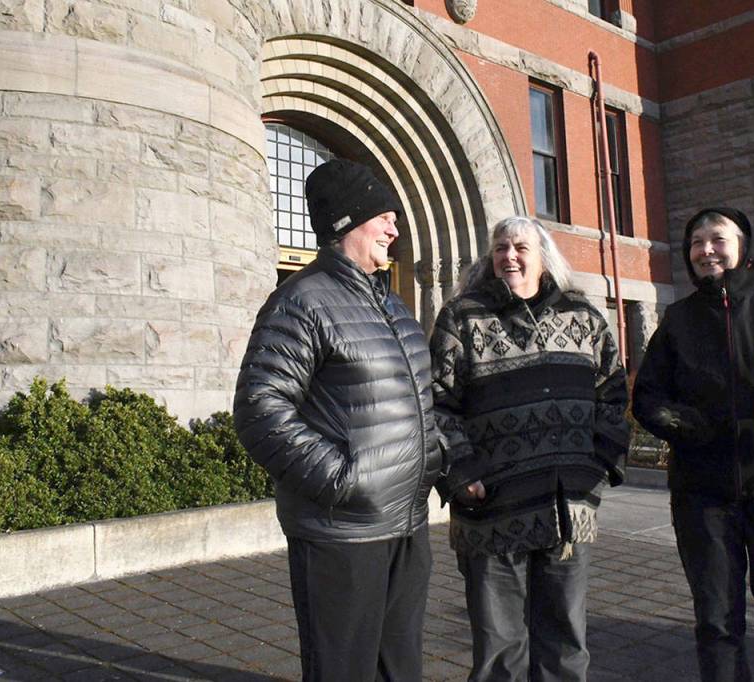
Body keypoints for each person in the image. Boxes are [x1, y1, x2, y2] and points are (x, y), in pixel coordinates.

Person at [233, 159, 442, 682]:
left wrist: (440, 461)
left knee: (400, 671)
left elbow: (419, 403)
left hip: (407, 526)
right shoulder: (301, 301)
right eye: (385, 218)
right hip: (343, 534)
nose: (395, 230)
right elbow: (260, 409)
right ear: (349, 222)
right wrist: (345, 480)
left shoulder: (394, 307)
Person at [429, 216, 630, 681]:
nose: (510, 256)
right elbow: (436, 401)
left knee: (565, 647)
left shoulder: (583, 316)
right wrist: (461, 472)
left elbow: (612, 393)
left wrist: (599, 464)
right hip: (492, 511)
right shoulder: (463, 317)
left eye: (520, 247)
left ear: (544, 257)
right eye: (501, 247)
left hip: (567, 511)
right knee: (500, 653)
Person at [631, 207, 754, 682]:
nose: (705, 250)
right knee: (716, 625)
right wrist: (685, 425)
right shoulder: (679, 319)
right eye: (696, 242)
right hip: (702, 493)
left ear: (743, 246)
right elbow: (648, 397)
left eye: (717, 239)